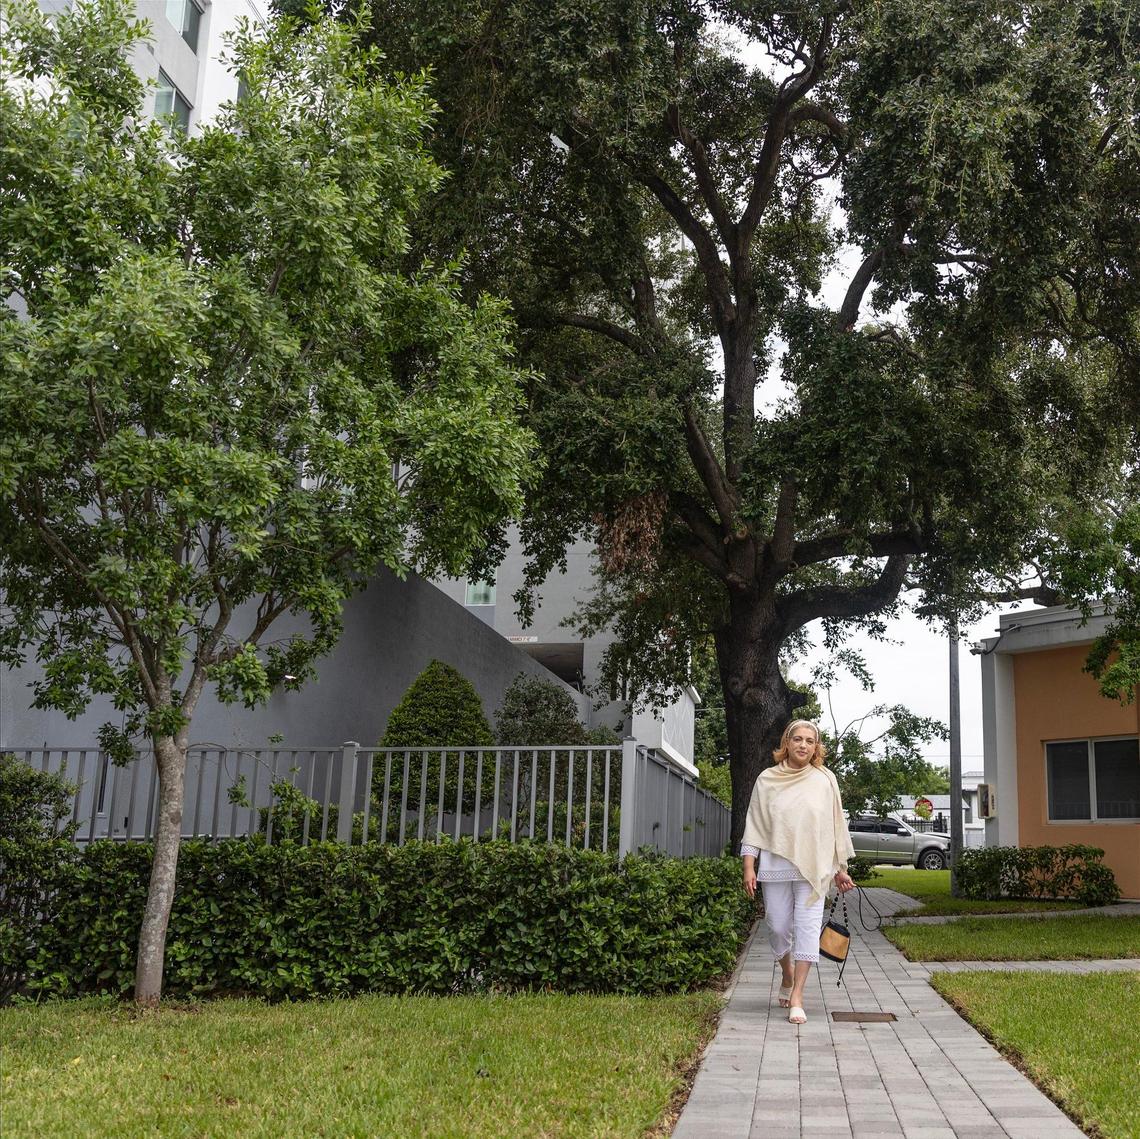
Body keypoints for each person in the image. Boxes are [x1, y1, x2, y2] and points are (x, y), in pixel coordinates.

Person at [740, 719, 855, 1025]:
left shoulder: (825, 780)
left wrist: (839, 869)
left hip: (814, 870)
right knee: (777, 926)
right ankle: (787, 974)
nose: (804, 745)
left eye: (810, 740)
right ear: (786, 743)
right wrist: (749, 866)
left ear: (816, 747)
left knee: (806, 930)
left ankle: (798, 996)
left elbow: (833, 827)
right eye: (798, 739)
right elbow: (755, 824)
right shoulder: (767, 780)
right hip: (776, 865)